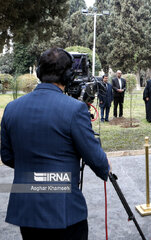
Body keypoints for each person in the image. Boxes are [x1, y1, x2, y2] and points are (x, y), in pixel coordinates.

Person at [1, 48, 111, 240]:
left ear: (38, 72)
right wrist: (105, 167)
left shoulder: (11, 108)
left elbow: (8, 157)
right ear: (68, 76)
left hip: (27, 210)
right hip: (63, 212)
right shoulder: (75, 109)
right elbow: (97, 160)